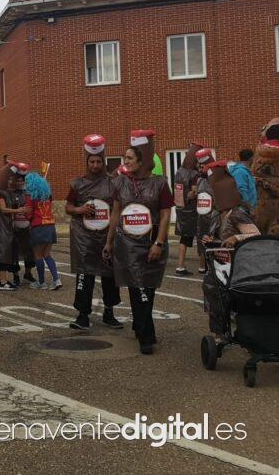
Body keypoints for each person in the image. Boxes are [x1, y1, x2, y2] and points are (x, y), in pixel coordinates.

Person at [103, 130, 174, 355]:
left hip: (152, 243)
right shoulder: (120, 183)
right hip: (127, 245)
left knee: (148, 288)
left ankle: (140, 324)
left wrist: (159, 243)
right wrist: (109, 242)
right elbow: (115, 213)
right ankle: (146, 336)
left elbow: (165, 214)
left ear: (141, 160)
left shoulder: (160, 184)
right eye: (125, 158)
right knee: (137, 287)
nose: (125, 161)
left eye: (130, 158)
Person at [66, 134, 122, 330]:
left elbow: (119, 208)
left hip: (107, 235)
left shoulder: (113, 182)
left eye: (98, 161)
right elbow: (68, 207)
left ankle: (109, 312)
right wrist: (80, 210)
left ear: (103, 161)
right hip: (84, 237)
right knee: (85, 274)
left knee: (110, 275)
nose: (95, 165)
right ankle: (82, 315)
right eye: (92, 162)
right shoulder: (77, 184)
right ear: (87, 162)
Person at [200, 161, 260, 338]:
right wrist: (211, 240)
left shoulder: (237, 213)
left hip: (237, 264)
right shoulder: (218, 213)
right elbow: (220, 237)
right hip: (219, 263)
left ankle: (242, 331)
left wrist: (236, 238)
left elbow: (255, 235)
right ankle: (219, 332)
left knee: (229, 297)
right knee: (213, 292)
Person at [0, 162, 28, 291]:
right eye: (9, 179)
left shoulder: (4, 192)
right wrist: (19, 210)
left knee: (5, 254)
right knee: (2, 254)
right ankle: (3, 281)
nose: (11, 182)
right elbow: (3, 209)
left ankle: (3, 279)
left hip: (5, 228)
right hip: (0, 228)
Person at [24, 171, 61, 291]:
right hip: (50, 225)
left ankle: (41, 282)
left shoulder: (30, 196)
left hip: (38, 226)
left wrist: (26, 216)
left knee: (38, 255)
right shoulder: (47, 195)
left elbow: (29, 212)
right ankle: (56, 279)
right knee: (47, 254)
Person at [173, 142, 204, 275]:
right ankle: (202, 267)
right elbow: (193, 192)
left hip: (181, 209)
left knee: (184, 238)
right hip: (193, 210)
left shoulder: (179, 172)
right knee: (202, 236)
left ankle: (180, 266)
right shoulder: (194, 174)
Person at [7, 162, 36, 284]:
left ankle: (28, 273)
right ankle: (16, 276)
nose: (19, 183)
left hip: (27, 227)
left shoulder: (30, 193)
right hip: (15, 227)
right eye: (18, 181)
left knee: (29, 251)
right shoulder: (10, 193)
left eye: (21, 181)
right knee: (14, 253)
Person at [193, 147, 217, 275]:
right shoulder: (200, 180)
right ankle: (202, 267)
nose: (200, 168)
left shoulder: (216, 179)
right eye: (199, 166)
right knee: (201, 240)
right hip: (202, 217)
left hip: (214, 216)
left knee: (213, 240)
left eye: (203, 166)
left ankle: (212, 267)